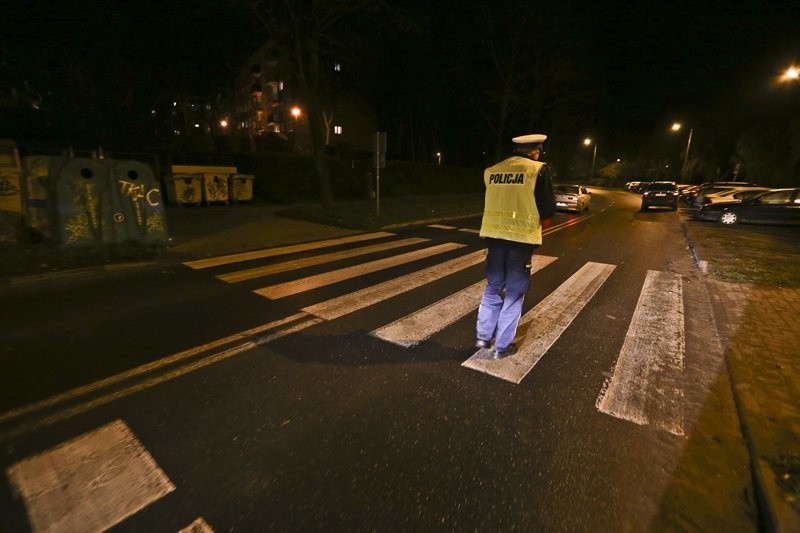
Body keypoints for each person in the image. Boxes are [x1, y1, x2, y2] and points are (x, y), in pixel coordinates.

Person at [475, 133, 555, 359]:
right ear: (536, 151)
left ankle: (482, 337)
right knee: (514, 293)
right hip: (520, 242)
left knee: (492, 287)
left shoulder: (492, 170)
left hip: (494, 239)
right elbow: (548, 209)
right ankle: (502, 346)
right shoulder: (538, 170)